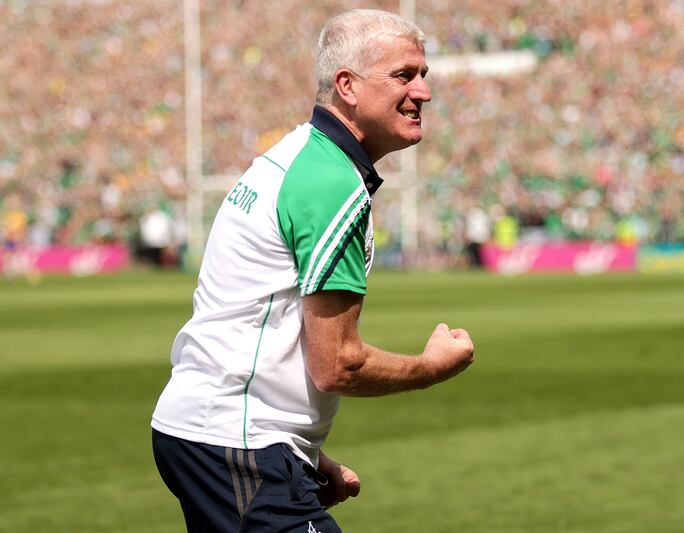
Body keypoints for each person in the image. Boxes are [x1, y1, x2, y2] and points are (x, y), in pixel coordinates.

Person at [151, 9, 475, 533]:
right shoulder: (329, 183)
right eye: (404, 75)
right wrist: (431, 367)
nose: (424, 91)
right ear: (347, 85)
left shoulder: (298, 156)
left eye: (424, 74)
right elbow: (337, 365)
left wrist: (300, 453)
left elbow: (257, 319)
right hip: (237, 442)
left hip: (221, 434)